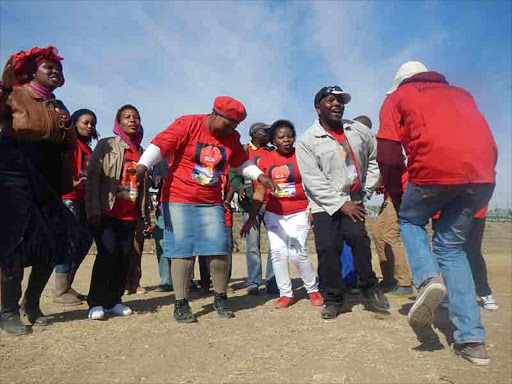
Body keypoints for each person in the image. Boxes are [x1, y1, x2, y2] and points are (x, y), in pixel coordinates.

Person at [377, 61, 497, 365]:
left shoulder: (397, 97)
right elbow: (489, 143)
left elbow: (388, 154)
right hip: (482, 175)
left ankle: (428, 279)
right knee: (451, 247)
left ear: (400, 82)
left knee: (409, 220)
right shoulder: (462, 93)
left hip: (434, 169)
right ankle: (472, 341)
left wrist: (397, 193)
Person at [136, 96, 276, 323]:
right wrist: (143, 165)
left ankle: (220, 297)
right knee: (183, 250)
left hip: (210, 200)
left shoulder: (231, 137)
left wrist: (259, 175)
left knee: (219, 248)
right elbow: (161, 145)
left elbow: (241, 162)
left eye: (235, 127)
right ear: (215, 114)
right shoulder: (188, 124)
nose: (230, 130)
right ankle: (181, 303)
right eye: (228, 124)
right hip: (179, 197)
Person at [0, 46, 88, 334]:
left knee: (53, 243)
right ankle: (8, 310)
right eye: (47, 67)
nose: (54, 71)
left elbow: (64, 147)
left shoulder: (58, 106)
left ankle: (32, 303)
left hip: (48, 179)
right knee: (16, 245)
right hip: (15, 174)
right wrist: (4, 84)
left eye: (58, 68)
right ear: (32, 71)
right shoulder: (13, 95)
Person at [296, 85, 388, 320]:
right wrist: (339, 204)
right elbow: (312, 180)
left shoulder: (358, 131)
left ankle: (370, 289)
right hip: (323, 204)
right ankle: (334, 299)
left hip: (353, 200)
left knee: (358, 240)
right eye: (330, 100)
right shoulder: (307, 140)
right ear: (318, 107)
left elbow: (373, 160)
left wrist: (364, 193)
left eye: (340, 100)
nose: (337, 104)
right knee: (328, 249)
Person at [242, 119, 324, 308]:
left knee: (296, 252)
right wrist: (251, 218)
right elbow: (260, 191)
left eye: (290, 136)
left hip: (299, 211)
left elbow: (313, 185)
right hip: (274, 214)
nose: (287, 140)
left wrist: (313, 209)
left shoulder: (302, 156)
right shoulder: (265, 161)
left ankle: (312, 290)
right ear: (273, 140)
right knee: (278, 254)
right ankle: (286, 293)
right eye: (281, 137)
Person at [85, 104, 150, 320]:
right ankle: (95, 302)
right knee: (107, 253)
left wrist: (143, 215)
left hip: (129, 213)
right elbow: (93, 177)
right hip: (107, 210)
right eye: (127, 117)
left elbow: (144, 189)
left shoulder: (142, 152)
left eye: (136, 117)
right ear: (118, 122)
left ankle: (114, 300)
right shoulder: (106, 145)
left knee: (124, 256)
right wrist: (93, 207)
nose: (132, 120)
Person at [53, 109, 98, 306]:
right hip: (68, 196)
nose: (89, 126)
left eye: (93, 124)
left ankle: (67, 284)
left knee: (84, 241)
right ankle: (59, 289)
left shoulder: (87, 149)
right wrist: (69, 181)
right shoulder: (66, 143)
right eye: (85, 122)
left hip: (83, 199)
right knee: (69, 242)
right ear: (75, 122)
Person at [229, 122, 277, 295]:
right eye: (266, 131)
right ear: (254, 133)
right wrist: (239, 187)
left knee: (275, 245)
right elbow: (233, 174)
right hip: (250, 204)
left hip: (272, 203)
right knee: (252, 245)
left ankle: (272, 281)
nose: (269, 134)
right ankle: (254, 282)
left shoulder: (272, 151)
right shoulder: (243, 150)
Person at [432, 206, 499, 311]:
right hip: (442, 210)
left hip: (474, 211)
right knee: (443, 253)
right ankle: (448, 294)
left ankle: (484, 293)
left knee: (473, 252)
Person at [150, 158, 173, 292]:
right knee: (162, 241)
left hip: (184, 204)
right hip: (164, 204)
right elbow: (154, 183)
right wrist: (156, 178)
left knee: (183, 242)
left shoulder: (188, 153)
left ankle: (187, 279)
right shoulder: (161, 158)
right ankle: (166, 281)